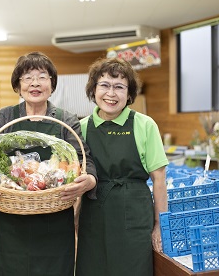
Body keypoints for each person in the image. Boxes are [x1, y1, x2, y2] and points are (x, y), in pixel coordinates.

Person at [0, 51, 97, 276]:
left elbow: (84, 161)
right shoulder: (5, 117)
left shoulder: (66, 119)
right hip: (11, 220)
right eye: (27, 77)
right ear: (18, 86)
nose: (35, 83)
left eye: (42, 76)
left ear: (52, 84)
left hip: (55, 219)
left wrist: (87, 181)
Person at [75, 57, 168, 276]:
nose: (111, 93)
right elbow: (78, 177)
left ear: (129, 94)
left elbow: (159, 179)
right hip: (93, 216)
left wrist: (159, 225)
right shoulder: (82, 127)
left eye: (119, 87)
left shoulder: (144, 124)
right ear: (93, 89)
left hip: (134, 217)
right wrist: (76, 217)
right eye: (104, 85)